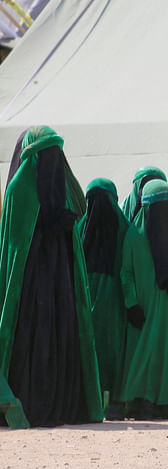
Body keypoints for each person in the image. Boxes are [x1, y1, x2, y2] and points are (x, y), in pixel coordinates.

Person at [0, 126, 103, 427]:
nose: (53, 161)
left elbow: (80, 211)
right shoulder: (20, 190)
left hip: (62, 284)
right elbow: (17, 246)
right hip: (29, 288)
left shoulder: (66, 189)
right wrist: (48, 227)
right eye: (46, 154)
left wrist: (62, 224)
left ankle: (65, 404)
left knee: (61, 339)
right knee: (34, 341)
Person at [120, 180, 168, 420]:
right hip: (147, 307)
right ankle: (144, 402)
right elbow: (126, 272)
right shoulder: (134, 235)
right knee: (148, 351)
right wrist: (131, 303)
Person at [76, 178, 131, 420]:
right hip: (116, 301)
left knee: (89, 351)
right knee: (115, 353)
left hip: (85, 300)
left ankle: (88, 403)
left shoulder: (79, 227)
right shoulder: (125, 228)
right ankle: (116, 405)